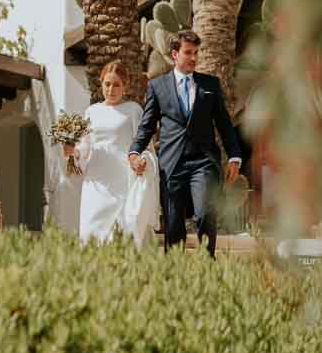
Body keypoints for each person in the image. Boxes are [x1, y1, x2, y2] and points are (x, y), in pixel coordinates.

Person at [129, 31, 243, 256]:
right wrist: (135, 151)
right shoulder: (157, 86)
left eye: (196, 53)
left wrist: (234, 156)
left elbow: (224, 123)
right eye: (188, 53)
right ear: (174, 54)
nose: (193, 58)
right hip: (171, 164)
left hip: (203, 162)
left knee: (204, 213)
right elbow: (147, 125)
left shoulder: (210, 84)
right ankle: (175, 273)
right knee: (173, 225)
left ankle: (206, 266)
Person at [69, 60, 158, 246]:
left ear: (125, 86)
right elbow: (84, 146)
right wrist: (73, 152)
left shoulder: (134, 110)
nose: (111, 89)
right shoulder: (91, 112)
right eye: (107, 84)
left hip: (124, 182)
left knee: (125, 232)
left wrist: (142, 162)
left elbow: (146, 146)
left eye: (116, 84)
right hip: (96, 182)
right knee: (93, 229)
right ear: (101, 84)